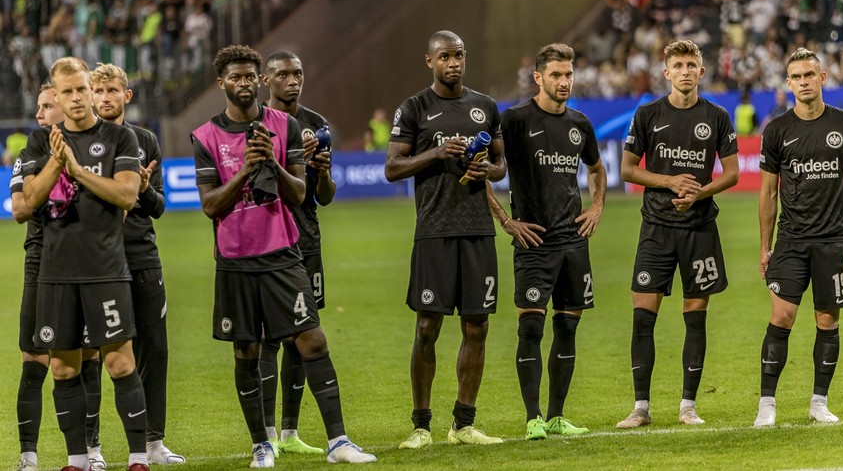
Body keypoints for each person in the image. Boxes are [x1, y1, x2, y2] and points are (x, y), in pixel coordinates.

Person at [191, 45, 375, 466]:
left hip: (282, 252)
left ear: (259, 80)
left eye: (248, 76)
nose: (243, 83)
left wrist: (271, 163)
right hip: (235, 260)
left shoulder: (284, 125)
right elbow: (210, 205)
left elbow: (299, 194)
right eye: (234, 77)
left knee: (312, 338)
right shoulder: (205, 137)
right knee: (247, 352)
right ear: (222, 83)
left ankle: (338, 442)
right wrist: (243, 171)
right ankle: (262, 443)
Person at [20, 57, 150, 471]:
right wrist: (58, 164)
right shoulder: (40, 145)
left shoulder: (119, 139)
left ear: (90, 91)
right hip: (56, 273)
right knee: (61, 368)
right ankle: (76, 460)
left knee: (120, 362)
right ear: (55, 97)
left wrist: (77, 169)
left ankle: (137, 457)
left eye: (82, 89)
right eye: (68, 92)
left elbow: (127, 195)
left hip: (106, 268)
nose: (77, 98)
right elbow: (24, 207)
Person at [385, 30, 506, 449]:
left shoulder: (485, 107)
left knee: (477, 326)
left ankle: (463, 424)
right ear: (429, 61)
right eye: (444, 56)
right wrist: (437, 154)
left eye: (459, 55)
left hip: (477, 230)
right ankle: (421, 425)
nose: (453, 62)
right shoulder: (415, 107)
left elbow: (501, 165)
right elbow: (392, 168)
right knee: (426, 328)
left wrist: (485, 170)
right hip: (434, 230)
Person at [485, 43, 606, 440]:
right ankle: (533, 418)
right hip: (534, 242)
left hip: (573, 242)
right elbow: (481, 168)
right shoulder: (516, 120)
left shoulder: (580, 123)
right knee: (531, 332)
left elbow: (596, 167)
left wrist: (597, 205)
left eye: (568, 74)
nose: (564, 81)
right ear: (538, 77)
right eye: (556, 75)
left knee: (568, 330)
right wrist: (505, 219)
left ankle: (556, 417)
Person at [617, 39, 739, 428]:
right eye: (678, 66)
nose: (685, 71)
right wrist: (670, 182)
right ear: (666, 72)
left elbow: (733, 172)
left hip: (700, 229)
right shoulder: (648, 114)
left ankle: (688, 406)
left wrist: (700, 192)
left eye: (692, 65)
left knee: (696, 317)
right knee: (642, 318)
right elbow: (628, 169)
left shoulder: (717, 116)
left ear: (702, 71)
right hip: (656, 228)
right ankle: (640, 408)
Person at [753, 47, 843, 427]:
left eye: (809, 75)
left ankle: (819, 402)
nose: (803, 82)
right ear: (788, 84)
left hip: (835, 240)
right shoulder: (777, 130)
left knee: (827, 321)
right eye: (796, 77)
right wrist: (765, 247)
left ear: (822, 78)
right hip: (791, 239)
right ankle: (766, 404)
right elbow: (768, 193)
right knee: (782, 316)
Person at [90, 63, 185, 465]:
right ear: (91, 97)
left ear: (126, 95)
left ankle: (153, 443)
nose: (106, 98)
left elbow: (160, 207)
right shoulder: (80, 141)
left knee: (154, 349)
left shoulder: (146, 140)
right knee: (92, 355)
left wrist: (145, 190)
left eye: (113, 90)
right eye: (100, 91)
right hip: (96, 263)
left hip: (142, 258)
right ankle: (90, 448)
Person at [257, 50, 335, 456]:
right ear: (266, 80)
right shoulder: (258, 125)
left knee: (302, 336)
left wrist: (320, 171)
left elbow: (325, 197)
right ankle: (267, 432)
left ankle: (289, 431)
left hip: (307, 241)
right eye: (284, 74)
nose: (293, 80)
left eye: (298, 73)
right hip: (269, 240)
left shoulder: (317, 124)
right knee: (270, 338)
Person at [10, 84, 65, 471]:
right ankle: (27, 455)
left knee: (87, 357)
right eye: (39, 106)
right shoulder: (30, 150)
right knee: (34, 358)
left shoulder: (99, 142)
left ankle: (90, 452)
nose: (40, 114)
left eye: (48, 106)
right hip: (40, 258)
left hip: (84, 264)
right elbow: (21, 208)